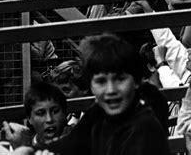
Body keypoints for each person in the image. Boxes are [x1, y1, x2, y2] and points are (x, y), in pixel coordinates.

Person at [37, 33, 170, 155]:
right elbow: (70, 143)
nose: (111, 90)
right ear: (91, 87)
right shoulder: (99, 113)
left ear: (136, 82)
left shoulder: (146, 128)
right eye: (101, 81)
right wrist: (30, 150)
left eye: (120, 79)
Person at [2, 81, 69, 149]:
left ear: (64, 113)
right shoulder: (20, 146)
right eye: (41, 114)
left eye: (55, 112)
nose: (49, 119)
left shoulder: (76, 144)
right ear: (29, 118)